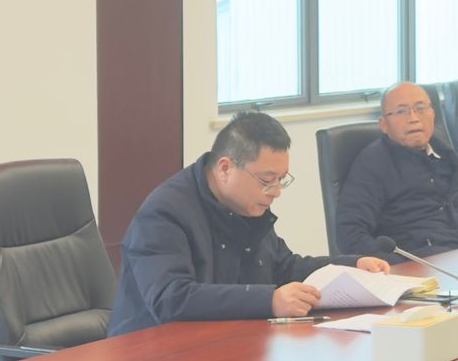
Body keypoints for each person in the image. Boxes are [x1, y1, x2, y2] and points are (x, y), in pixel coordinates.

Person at [112, 110, 387, 335]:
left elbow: (283, 267)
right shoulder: (164, 213)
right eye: (266, 180)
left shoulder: (245, 203)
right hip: (149, 356)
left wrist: (351, 266)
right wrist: (269, 300)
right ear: (225, 168)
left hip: (223, 344)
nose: (275, 192)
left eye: (281, 180)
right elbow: (171, 298)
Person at [330, 82, 458, 259]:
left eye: (420, 108)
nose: (413, 118)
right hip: (418, 260)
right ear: (384, 124)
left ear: (433, 114)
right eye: (401, 111)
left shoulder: (448, 157)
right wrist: (398, 264)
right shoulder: (373, 164)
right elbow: (349, 234)